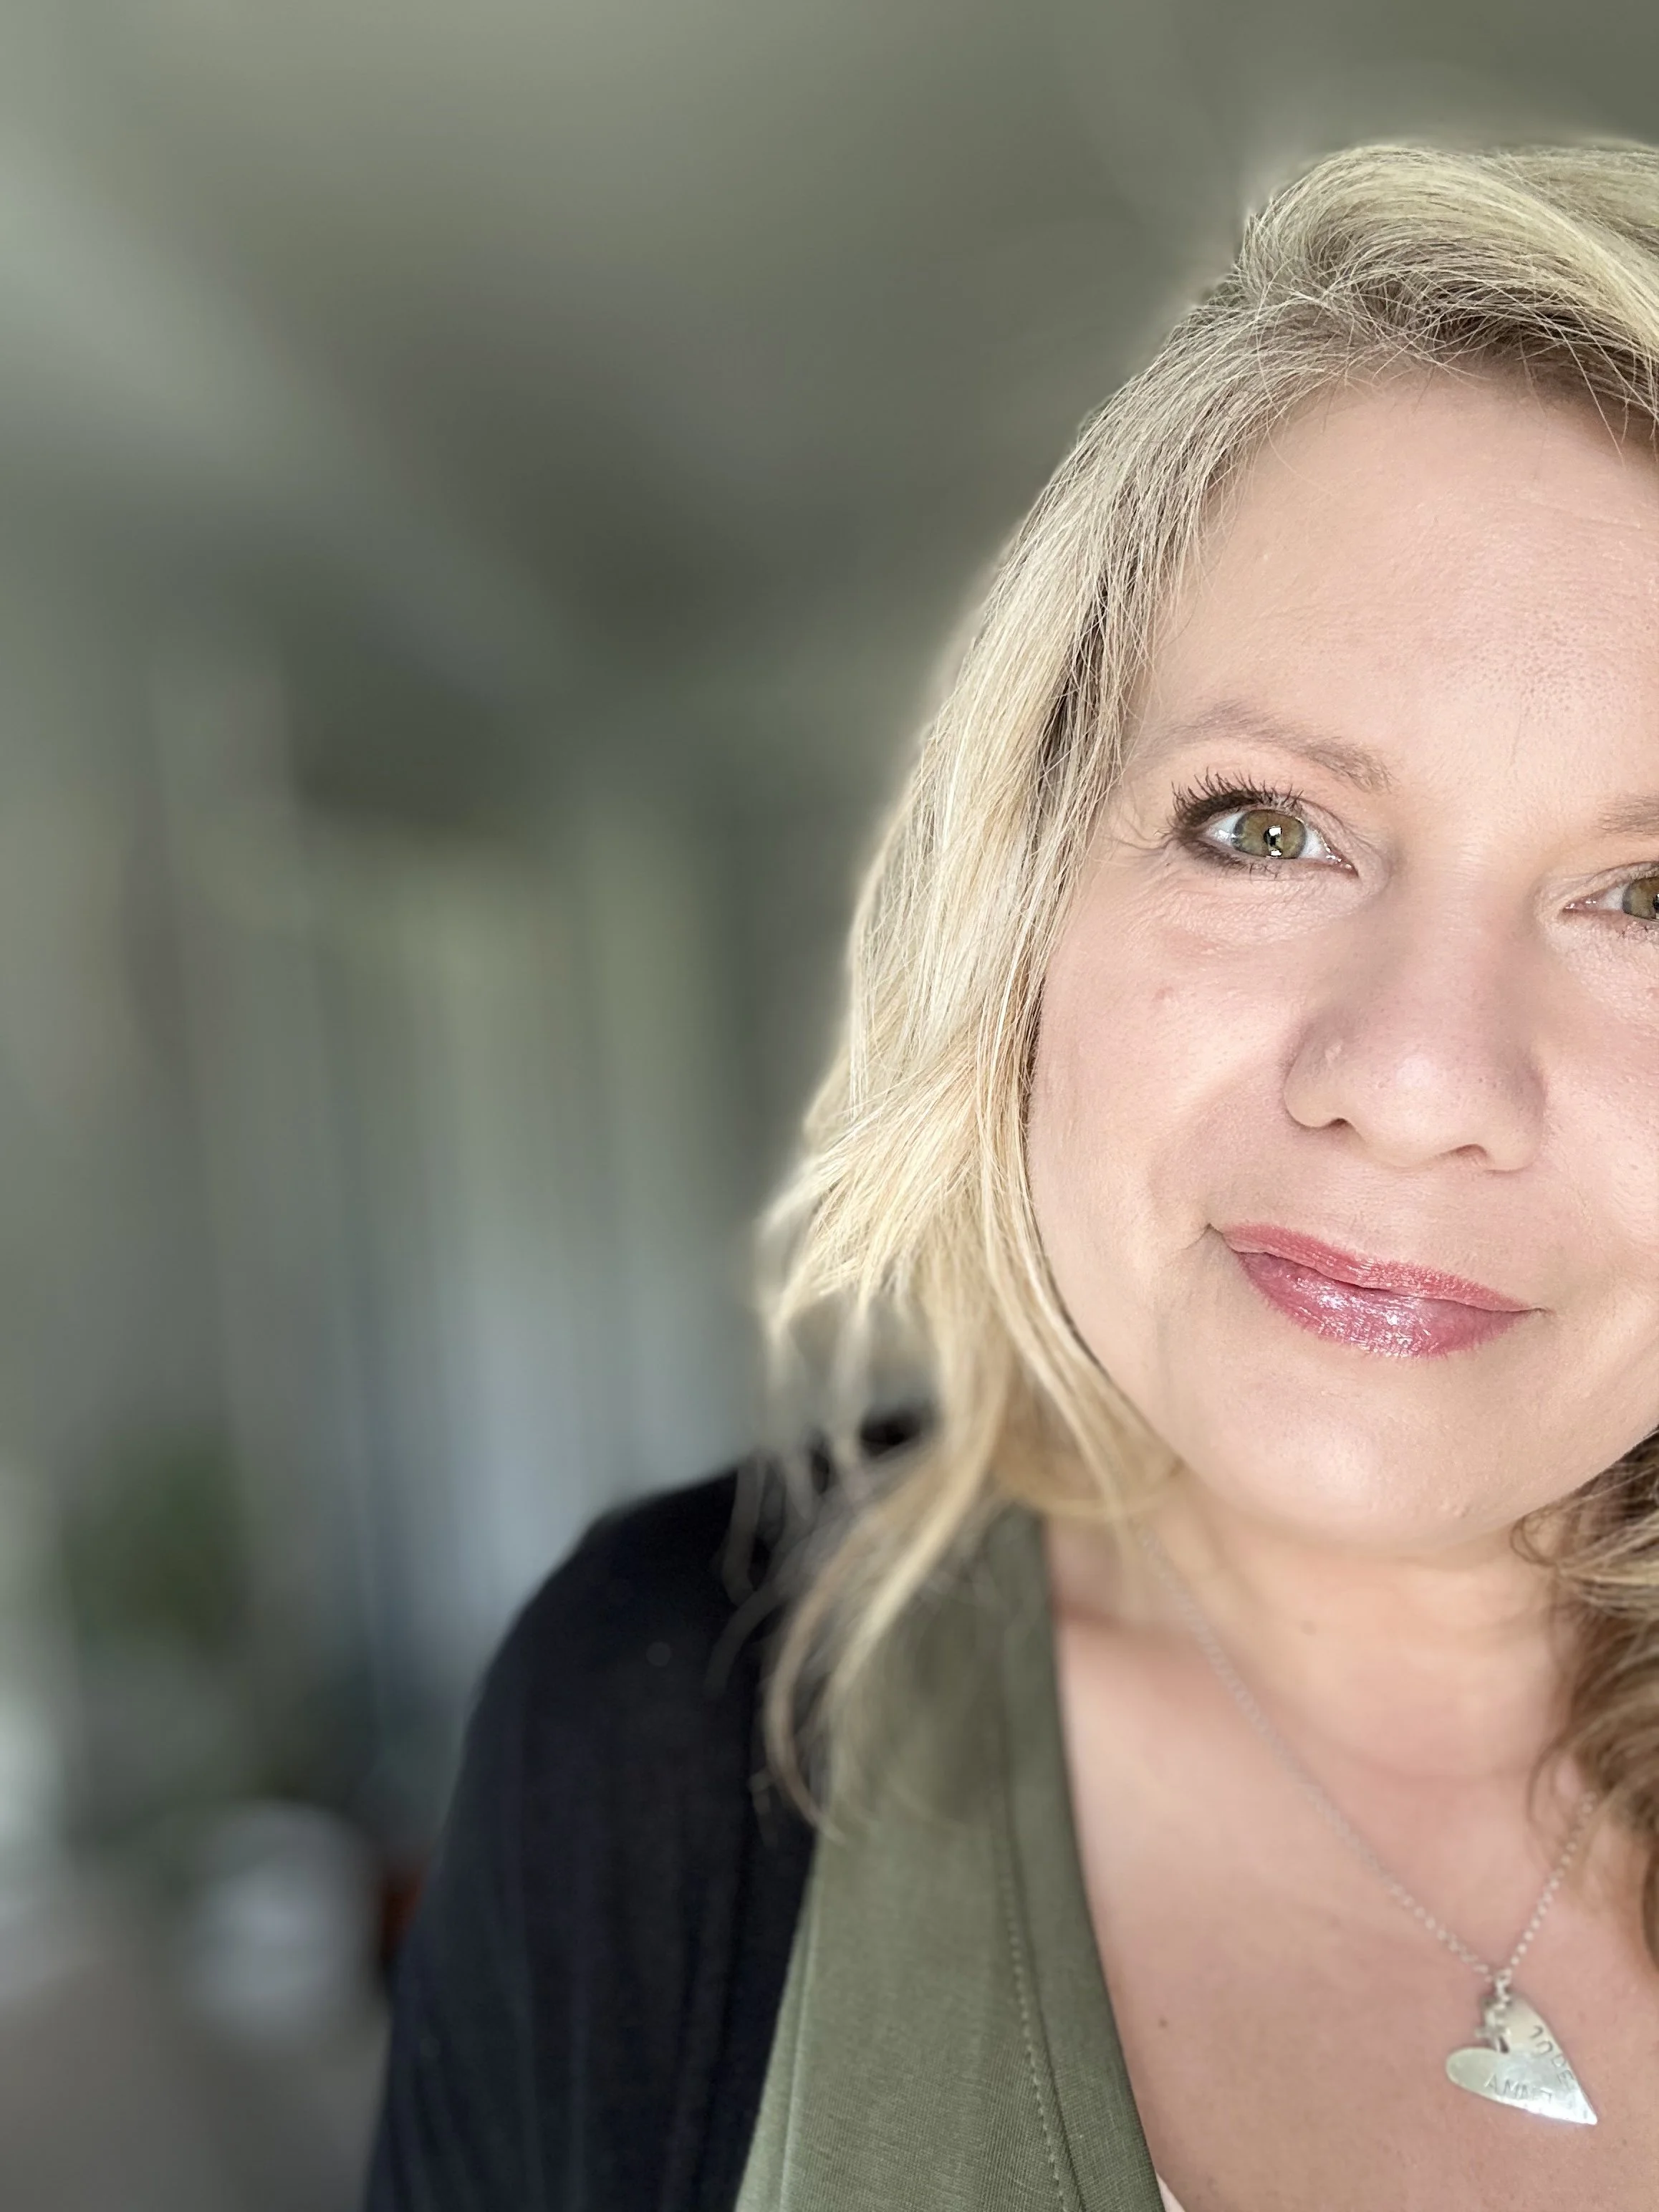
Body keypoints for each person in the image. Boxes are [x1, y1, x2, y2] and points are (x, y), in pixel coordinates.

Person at [367, 140, 1659, 2211]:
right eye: (1266, 827)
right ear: (1028, 894)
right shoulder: (665, 1728)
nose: (1416, 1082)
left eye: (1647, 897)